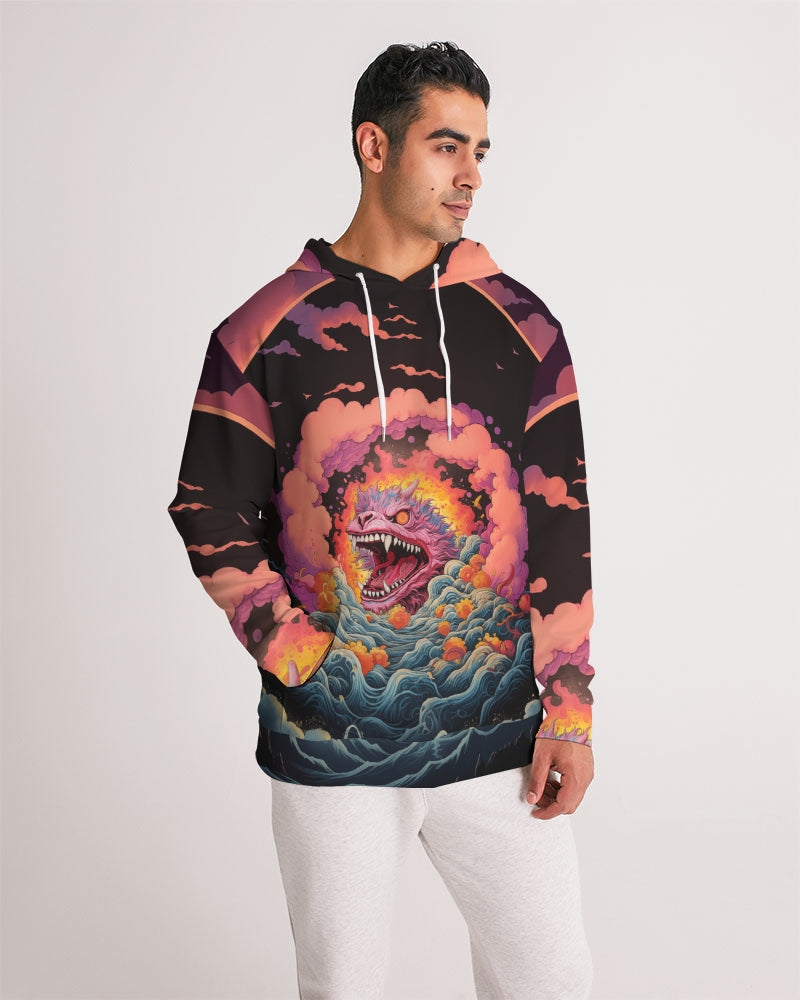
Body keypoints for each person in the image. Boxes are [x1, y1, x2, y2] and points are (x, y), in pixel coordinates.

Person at [168, 40, 595, 1000]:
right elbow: (209, 509)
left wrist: (569, 710)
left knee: (554, 979)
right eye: (447, 146)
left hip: (500, 739)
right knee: (343, 988)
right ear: (374, 145)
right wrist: (300, 658)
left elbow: (561, 527)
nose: (471, 175)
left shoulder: (526, 328)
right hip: (332, 750)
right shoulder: (262, 332)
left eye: (481, 151)